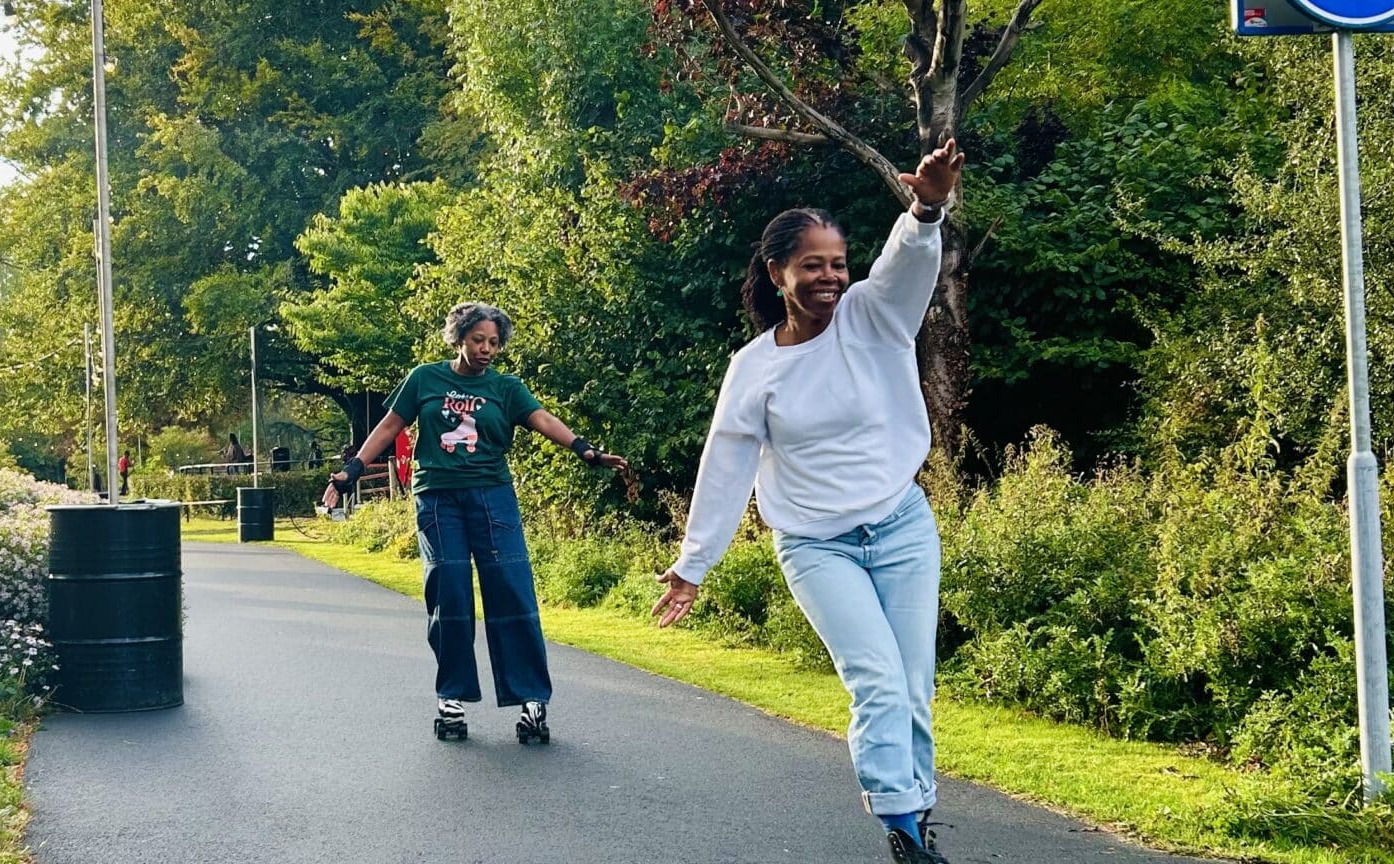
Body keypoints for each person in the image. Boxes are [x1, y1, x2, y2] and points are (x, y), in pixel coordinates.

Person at [651, 140, 965, 864]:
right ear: (777, 273)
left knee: (913, 685)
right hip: (817, 546)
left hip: (901, 526)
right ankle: (903, 826)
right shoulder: (754, 369)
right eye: (812, 265)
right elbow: (727, 463)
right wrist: (694, 562)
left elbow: (906, 262)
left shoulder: (875, 315)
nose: (830, 277)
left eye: (837, 263)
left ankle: (917, 818)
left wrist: (926, 207)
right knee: (878, 680)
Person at [329, 302, 629, 743]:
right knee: (448, 596)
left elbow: (542, 418)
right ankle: (452, 699)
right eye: (478, 341)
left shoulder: (506, 388)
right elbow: (390, 426)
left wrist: (585, 450)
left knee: (511, 591)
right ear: (459, 338)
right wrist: (352, 470)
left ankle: (531, 702)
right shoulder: (425, 378)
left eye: (494, 342)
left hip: (493, 497)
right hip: (437, 501)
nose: (487, 349)